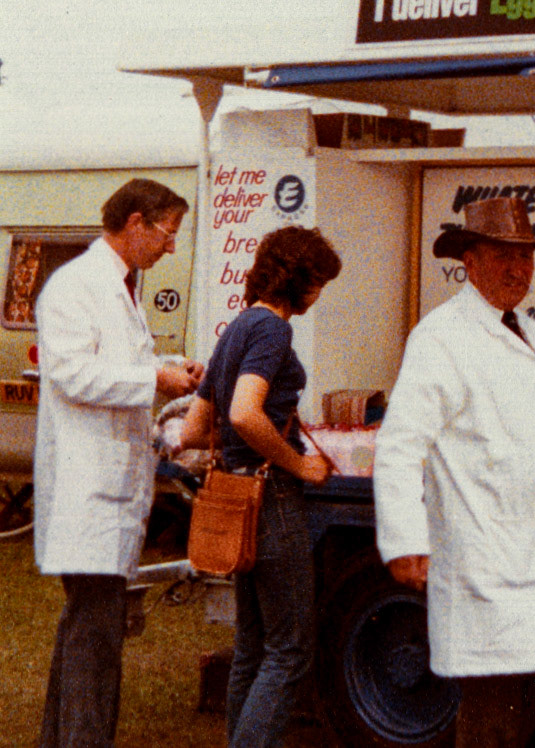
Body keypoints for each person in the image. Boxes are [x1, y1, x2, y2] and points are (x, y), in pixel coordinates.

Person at [373, 196, 535, 748]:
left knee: (526, 706)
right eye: (503, 255)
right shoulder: (442, 337)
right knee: (490, 717)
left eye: (526, 256)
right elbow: (399, 447)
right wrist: (404, 541)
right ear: (470, 261)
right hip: (484, 562)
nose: (518, 269)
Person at [34, 177, 203, 747]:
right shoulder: (74, 285)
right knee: (95, 635)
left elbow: (120, 361)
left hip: (109, 490)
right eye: (167, 233)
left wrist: (169, 366)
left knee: (88, 630)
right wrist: (155, 379)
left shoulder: (119, 286)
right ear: (135, 223)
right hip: (87, 492)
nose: (171, 247)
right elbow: (73, 374)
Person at [178, 225, 340, 747]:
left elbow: (193, 430)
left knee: (251, 647)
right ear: (299, 278)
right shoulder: (273, 330)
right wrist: (299, 464)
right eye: (318, 282)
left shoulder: (237, 328)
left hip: (234, 495)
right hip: (271, 499)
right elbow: (245, 414)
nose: (318, 294)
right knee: (290, 651)